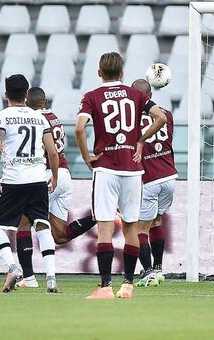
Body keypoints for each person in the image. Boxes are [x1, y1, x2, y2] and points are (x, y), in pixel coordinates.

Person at [76, 52, 167, 300]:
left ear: (99, 72)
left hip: (106, 168)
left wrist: (86, 156)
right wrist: (140, 140)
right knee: (131, 227)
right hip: (132, 170)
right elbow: (160, 117)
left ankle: (105, 287)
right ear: (123, 73)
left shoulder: (91, 96)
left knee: (105, 228)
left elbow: (80, 127)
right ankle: (127, 285)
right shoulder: (136, 95)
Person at [15, 87, 97, 289]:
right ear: (44, 102)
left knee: (23, 224)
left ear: (27, 101)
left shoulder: (31, 120)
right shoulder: (54, 117)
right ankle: (99, 216)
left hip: (46, 175)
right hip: (64, 176)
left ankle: (28, 277)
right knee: (59, 235)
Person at [0, 75, 60, 293]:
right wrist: (54, 177)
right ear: (27, 94)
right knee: (42, 225)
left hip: (14, 180)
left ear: (6, 94)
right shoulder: (40, 118)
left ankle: (13, 266)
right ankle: (51, 278)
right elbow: (53, 151)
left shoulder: (1, 116)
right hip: (38, 178)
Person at [131, 79, 177, 288]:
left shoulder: (130, 119)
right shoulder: (166, 114)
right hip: (169, 176)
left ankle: (148, 271)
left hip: (148, 178)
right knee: (156, 223)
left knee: (140, 228)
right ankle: (158, 268)